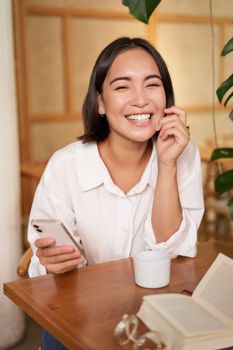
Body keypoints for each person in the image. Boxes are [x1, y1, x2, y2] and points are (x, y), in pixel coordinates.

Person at [27, 37, 204, 349]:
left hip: (159, 313)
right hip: (81, 315)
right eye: (123, 87)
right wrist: (50, 262)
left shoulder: (182, 155)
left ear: (166, 97)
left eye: (152, 85)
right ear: (101, 103)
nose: (141, 100)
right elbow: (43, 271)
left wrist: (166, 164)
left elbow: (172, 251)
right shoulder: (66, 166)